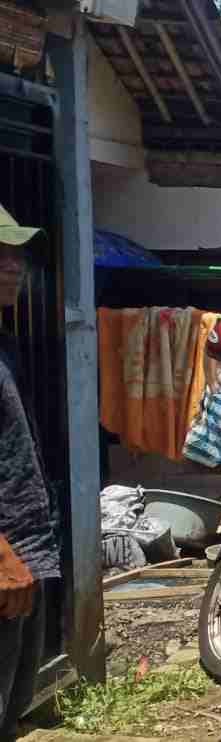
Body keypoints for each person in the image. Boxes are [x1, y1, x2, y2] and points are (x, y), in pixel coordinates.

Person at [0, 203, 56, 739]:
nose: (13, 266)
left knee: (13, 704)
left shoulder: (6, 344)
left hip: (24, 547)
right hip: (5, 556)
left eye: (15, 255)